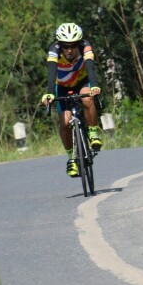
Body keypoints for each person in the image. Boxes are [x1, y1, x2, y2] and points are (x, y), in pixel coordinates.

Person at [39, 22, 104, 177]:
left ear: (79, 43)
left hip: (82, 82)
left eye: (73, 46)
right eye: (65, 46)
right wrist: (49, 93)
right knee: (65, 123)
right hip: (61, 86)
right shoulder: (54, 50)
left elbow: (90, 67)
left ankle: (93, 133)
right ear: (59, 44)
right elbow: (51, 72)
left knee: (88, 99)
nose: (69, 50)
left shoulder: (85, 46)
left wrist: (94, 85)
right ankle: (71, 159)